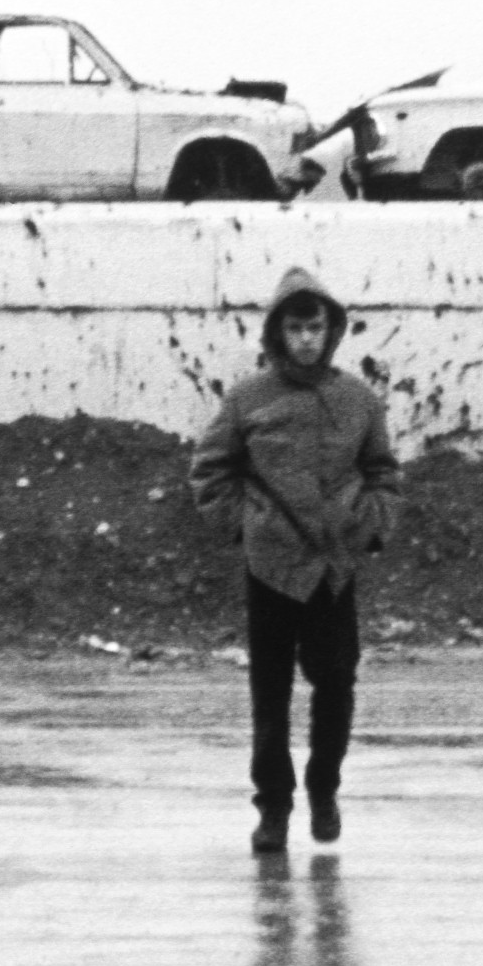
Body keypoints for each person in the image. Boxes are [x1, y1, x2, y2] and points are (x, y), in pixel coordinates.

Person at [188, 268, 400, 856]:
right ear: (277, 333)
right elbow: (210, 472)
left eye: (316, 326)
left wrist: (371, 527)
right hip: (272, 570)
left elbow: (384, 472)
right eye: (296, 327)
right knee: (270, 694)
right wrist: (246, 528)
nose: (306, 338)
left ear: (332, 331)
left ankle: (324, 791)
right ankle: (274, 810)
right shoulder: (247, 399)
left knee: (336, 684)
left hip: (335, 570)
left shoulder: (358, 399)